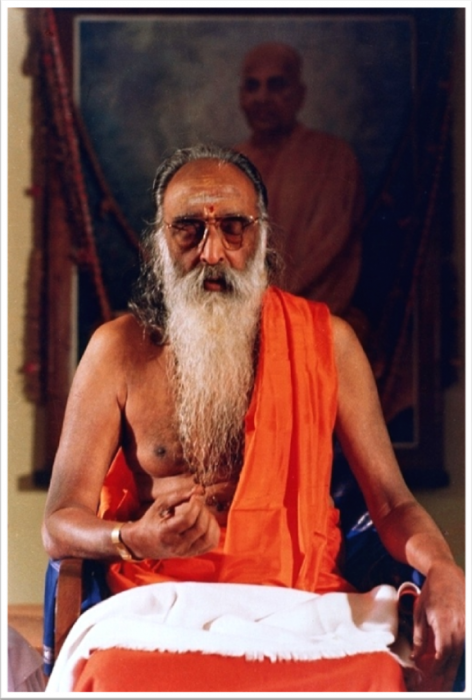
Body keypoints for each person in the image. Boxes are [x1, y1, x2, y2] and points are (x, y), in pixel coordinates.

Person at [42, 145, 464, 693]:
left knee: (374, 676)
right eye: (189, 229)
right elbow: (59, 521)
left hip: (302, 604)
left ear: (261, 237)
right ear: (159, 245)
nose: (212, 252)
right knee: (118, 677)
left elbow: (391, 502)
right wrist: (132, 538)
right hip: (158, 608)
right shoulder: (117, 350)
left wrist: (445, 570)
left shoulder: (328, 343)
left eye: (233, 227)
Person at [234, 42, 366, 333]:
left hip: (313, 319)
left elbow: (327, 252)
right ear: (241, 97)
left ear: (299, 95)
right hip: (240, 322)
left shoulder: (332, 156)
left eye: (276, 85)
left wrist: (270, 309)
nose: (262, 98)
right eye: (252, 87)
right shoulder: (229, 164)